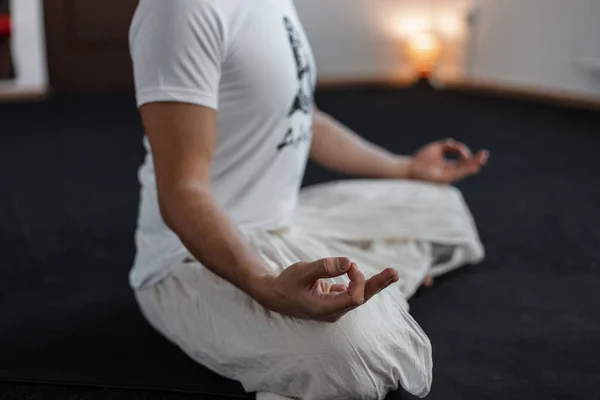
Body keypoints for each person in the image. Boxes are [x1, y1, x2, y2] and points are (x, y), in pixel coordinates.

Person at [128, 1, 489, 399]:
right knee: (355, 361)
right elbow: (182, 189)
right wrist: (264, 285)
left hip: (288, 218)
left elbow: (305, 119)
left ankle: (374, 289)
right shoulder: (179, 10)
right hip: (190, 256)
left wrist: (405, 169)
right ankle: (377, 291)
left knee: (441, 205)